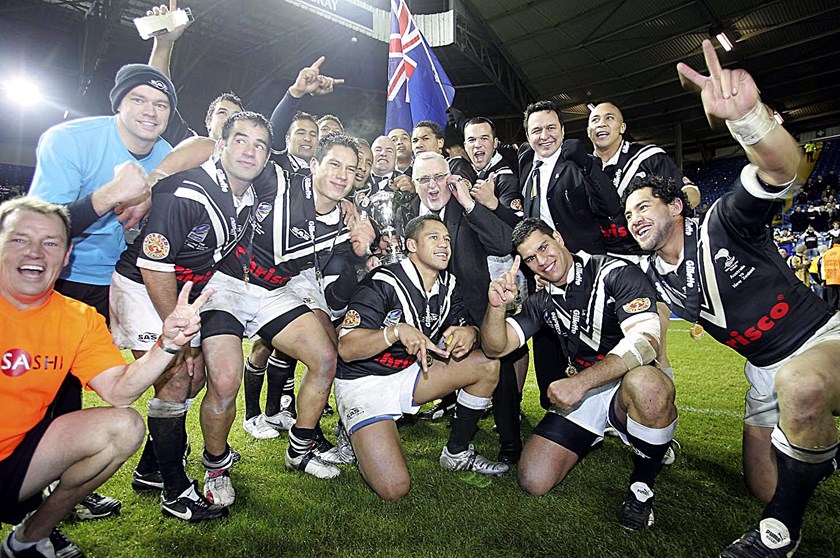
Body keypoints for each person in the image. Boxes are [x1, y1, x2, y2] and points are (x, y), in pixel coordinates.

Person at [623, 39, 838, 557]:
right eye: (628, 216)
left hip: (818, 339)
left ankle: (778, 536)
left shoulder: (721, 222)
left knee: (802, 385)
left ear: (676, 205)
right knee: (766, 484)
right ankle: (815, 456)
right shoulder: (652, 274)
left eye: (643, 206)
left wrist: (750, 122)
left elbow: (784, 173)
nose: (635, 219)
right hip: (761, 372)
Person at [0, 197, 211, 557]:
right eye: (19, 239)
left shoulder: (78, 318)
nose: (35, 252)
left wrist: (168, 344)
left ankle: (29, 538)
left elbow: (119, 390)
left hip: (19, 458)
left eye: (50, 243)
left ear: (67, 255)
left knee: (123, 426)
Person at [109, 112, 270, 519]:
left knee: (193, 378)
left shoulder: (246, 196)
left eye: (259, 145)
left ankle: (150, 469)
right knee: (178, 378)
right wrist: (178, 335)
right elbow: (153, 266)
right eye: (241, 140)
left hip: (182, 293)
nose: (249, 151)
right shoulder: (189, 192)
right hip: (145, 287)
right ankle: (176, 491)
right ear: (222, 145)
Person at [195, 133, 374, 495]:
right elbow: (209, 148)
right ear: (313, 165)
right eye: (334, 164)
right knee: (225, 382)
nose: (342, 175)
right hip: (229, 284)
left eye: (351, 169)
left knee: (325, 359)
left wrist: (365, 247)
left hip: (274, 292)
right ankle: (215, 467)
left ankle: (300, 448)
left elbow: (371, 252)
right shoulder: (277, 180)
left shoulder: (349, 219)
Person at [481, 218, 676, 530]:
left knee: (648, 385)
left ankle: (642, 486)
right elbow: (496, 348)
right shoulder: (540, 300)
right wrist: (495, 308)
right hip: (584, 392)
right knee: (534, 479)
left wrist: (580, 382)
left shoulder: (615, 272)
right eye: (531, 258)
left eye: (544, 247)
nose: (541, 261)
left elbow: (646, 342)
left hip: (624, 383)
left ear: (558, 237)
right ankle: (620, 432)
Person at [334, 214, 508, 500]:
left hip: (409, 373)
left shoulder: (448, 285)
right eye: (434, 238)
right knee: (394, 489)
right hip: (362, 381)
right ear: (411, 245)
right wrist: (395, 332)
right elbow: (348, 348)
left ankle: (457, 453)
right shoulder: (381, 281)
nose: (444, 244)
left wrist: (471, 333)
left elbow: (464, 327)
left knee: (487, 364)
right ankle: (351, 430)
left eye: (447, 239)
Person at [587, 101, 699, 254]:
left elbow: (686, 197)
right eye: (595, 120)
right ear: (588, 131)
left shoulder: (649, 157)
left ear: (622, 127)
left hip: (649, 254)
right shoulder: (580, 170)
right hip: (605, 256)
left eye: (609, 118)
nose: (601, 124)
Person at [822, 237, 840, 309]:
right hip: (839, 278)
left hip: (830, 279)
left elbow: (823, 267)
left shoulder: (827, 253)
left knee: (832, 301)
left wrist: (824, 279)